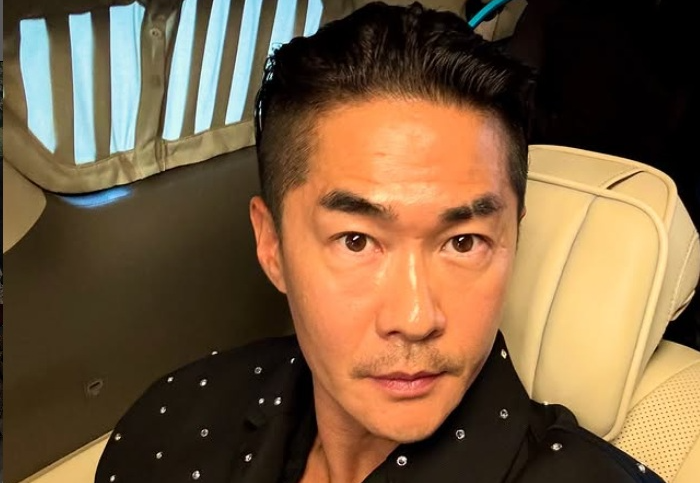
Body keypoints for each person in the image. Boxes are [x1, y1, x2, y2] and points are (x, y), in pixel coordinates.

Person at [95, 3, 664, 482]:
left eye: (464, 242)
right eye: (356, 241)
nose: (414, 319)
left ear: (513, 237)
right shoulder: (169, 423)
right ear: (272, 246)